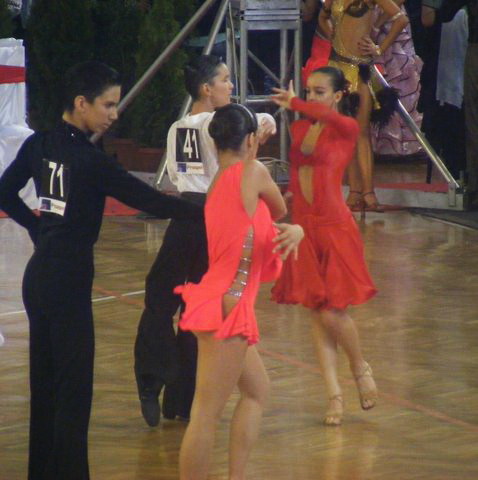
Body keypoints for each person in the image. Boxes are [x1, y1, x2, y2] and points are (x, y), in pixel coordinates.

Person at [0, 60, 203, 480]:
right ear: (81, 103)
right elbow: (151, 201)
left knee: (46, 385)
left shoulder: (40, 143)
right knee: (74, 391)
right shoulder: (91, 160)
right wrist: (207, 212)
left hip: (39, 277)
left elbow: (4, 192)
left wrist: (38, 228)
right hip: (68, 280)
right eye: (108, 105)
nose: (114, 113)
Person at [134, 55, 277, 426]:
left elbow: (177, 174)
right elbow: (265, 120)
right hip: (215, 220)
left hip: (184, 216)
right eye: (225, 80)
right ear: (206, 88)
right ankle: (182, 400)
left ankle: (152, 380)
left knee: (160, 298)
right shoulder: (221, 123)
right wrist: (264, 124)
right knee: (197, 307)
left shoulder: (176, 127)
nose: (231, 86)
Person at [175, 103, 303, 480]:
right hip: (228, 305)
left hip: (217, 298)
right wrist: (297, 229)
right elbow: (279, 210)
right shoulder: (254, 171)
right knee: (205, 414)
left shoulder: (219, 182)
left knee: (257, 391)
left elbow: (258, 224)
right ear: (250, 140)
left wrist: (295, 232)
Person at [271, 68, 378, 426]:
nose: (311, 98)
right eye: (308, 91)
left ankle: (359, 366)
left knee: (333, 311)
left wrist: (296, 103)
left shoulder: (345, 128)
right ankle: (333, 395)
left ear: (337, 95)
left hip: (335, 229)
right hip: (304, 229)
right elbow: (299, 175)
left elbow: (326, 119)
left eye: (319, 92)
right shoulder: (300, 128)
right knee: (316, 312)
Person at [319, 0, 409, 210]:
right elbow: (322, 18)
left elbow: (401, 19)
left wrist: (379, 48)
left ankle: (368, 192)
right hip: (337, 68)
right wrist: (331, 33)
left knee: (361, 132)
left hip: (359, 71)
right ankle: (354, 192)